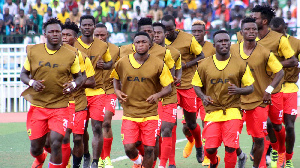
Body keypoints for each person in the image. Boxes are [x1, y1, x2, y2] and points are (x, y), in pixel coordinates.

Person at [20, 18, 83, 168]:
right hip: (38, 106)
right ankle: (40, 157)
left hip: (60, 106)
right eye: (51, 32)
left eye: (58, 32)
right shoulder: (34, 52)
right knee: (36, 148)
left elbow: (80, 77)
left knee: (56, 143)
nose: (55, 34)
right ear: (45, 34)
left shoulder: (71, 55)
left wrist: (73, 84)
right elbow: (23, 74)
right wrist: (31, 82)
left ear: (61, 34)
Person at [192, 30, 255, 168]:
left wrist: (239, 90)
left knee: (230, 147)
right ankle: (214, 162)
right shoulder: (204, 64)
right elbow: (196, 84)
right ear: (214, 45)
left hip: (232, 111)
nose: (224, 43)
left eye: (226, 40)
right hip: (212, 112)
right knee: (209, 149)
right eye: (220, 41)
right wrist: (203, 97)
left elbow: (250, 87)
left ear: (230, 43)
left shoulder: (240, 64)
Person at [120, 18, 177, 167]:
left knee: (156, 139)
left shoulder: (164, 53)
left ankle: (162, 164)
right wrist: (117, 91)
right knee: (134, 143)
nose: (147, 35)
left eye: (150, 32)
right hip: (133, 105)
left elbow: (172, 71)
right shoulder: (125, 52)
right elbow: (116, 74)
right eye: (143, 33)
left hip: (158, 101)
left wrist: (167, 85)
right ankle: (140, 161)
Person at [231, 17, 285, 168]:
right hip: (236, 102)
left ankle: (260, 165)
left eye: (254, 29)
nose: (251, 31)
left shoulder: (265, 52)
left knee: (259, 139)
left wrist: (269, 90)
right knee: (230, 139)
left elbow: (280, 72)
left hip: (258, 102)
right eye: (247, 29)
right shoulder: (232, 49)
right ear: (241, 32)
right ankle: (241, 156)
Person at [251, 5, 297, 168]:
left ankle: (283, 152)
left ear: (264, 21)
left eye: (255, 18)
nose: (252, 19)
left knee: (279, 125)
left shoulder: (280, 39)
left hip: (278, 88)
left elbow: (292, 61)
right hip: (256, 90)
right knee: (264, 126)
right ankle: (264, 159)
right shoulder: (250, 38)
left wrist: (271, 65)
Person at [161, 14, 205, 163]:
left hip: (187, 85)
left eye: (170, 29)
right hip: (170, 88)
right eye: (164, 30)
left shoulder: (188, 39)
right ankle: (172, 163)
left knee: (191, 124)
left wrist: (185, 66)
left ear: (175, 26)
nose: (167, 33)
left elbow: (202, 56)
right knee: (170, 124)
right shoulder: (159, 41)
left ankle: (198, 144)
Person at [74, 15, 113, 168]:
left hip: (98, 91)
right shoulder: (74, 44)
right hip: (80, 93)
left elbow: (110, 62)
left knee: (97, 127)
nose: (88, 27)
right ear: (81, 26)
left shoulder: (102, 46)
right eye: (85, 25)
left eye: (90, 25)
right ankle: (86, 155)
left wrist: (105, 64)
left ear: (94, 26)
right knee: (81, 130)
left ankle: (95, 163)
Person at [60, 21, 96, 168]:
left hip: (78, 103)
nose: (64, 37)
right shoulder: (53, 55)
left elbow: (92, 82)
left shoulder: (82, 57)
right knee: (61, 137)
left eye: (68, 35)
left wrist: (75, 84)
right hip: (60, 103)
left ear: (76, 38)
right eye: (63, 34)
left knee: (77, 138)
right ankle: (63, 163)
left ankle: (76, 165)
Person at [183, 19, 216, 166]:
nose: (196, 34)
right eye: (194, 31)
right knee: (186, 127)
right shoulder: (187, 46)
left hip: (206, 91)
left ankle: (208, 156)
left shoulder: (211, 47)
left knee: (206, 124)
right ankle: (192, 141)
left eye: (199, 31)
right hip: (190, 90)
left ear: (205, 32)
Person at [270, 17, 300, 168]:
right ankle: (276, 150)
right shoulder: (267, 42)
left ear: (285, 28)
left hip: (290, 88)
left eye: (280, 32)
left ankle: (288, 159)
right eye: (274, 33)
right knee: (270, 123)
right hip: (273, 88)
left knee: (289, 126)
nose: (277, 36)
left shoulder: (296, 43)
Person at [153, 22, 182, 168]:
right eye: (154, 33)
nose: (156, 35)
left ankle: (168, 163)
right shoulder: (146, 52)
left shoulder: (174, 53)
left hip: (169, 95)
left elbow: (178, 69)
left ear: (165, 34)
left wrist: (178, 77)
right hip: (154, 97)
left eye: (159, 33)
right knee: (156, 133)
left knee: (168, 128)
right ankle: (158, 159)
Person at [93, 23, 120, 168]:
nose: (99, 37)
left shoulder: (115, 50)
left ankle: (106, 158)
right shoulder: (88, 49)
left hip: (109, 90)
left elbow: (120, 69)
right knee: (92, 127)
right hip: (92, 91)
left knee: (106, 122)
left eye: (102, 35)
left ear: (107, 35)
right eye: (96, 35)